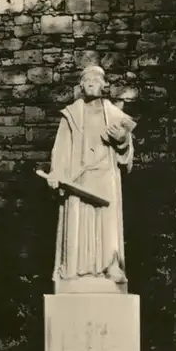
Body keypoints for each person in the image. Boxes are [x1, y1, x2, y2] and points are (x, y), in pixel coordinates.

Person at [46, 65, 136, 291]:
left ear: (105, 85)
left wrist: (123, 139)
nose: (92, 82)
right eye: (87, 80)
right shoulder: (71, 115)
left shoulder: (115, 114)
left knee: (107, 222)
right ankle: (74, 269)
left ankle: (111, 266)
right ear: (81, 86)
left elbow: (126, 150)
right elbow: (60, 149)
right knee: (79, 220)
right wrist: (57, 173)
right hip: (79, 177)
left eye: (97, 79)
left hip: (106, 175)